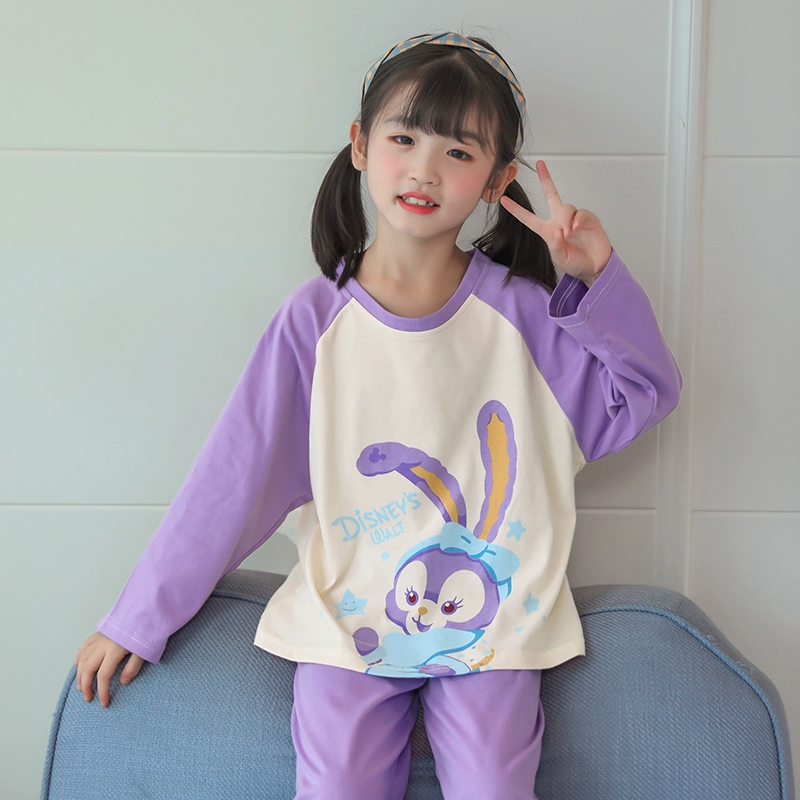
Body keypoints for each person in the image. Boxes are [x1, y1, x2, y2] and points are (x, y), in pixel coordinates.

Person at [74, 32, 682, 800]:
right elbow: (231, 478)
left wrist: (596, 280)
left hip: (493, 632)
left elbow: (644, 393)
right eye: (404, 138)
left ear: (497, 180)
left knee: (494, 788)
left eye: (458, 152)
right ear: (360, 145)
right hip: (346, 627)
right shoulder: (313, 322)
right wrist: (138, 617)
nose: (425, 168)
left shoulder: (528, 319)